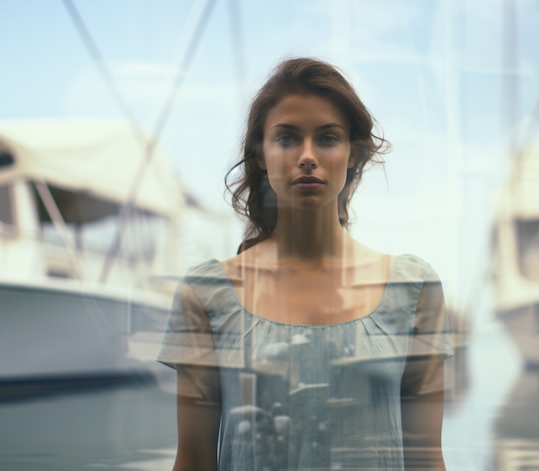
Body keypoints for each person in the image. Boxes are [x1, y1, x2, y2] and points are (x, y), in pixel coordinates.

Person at [158, 57, 453, 471]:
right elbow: (192, 460)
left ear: (353, 153)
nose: (308, 156)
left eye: (328, 138)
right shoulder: (206, 295)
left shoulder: (413, 289)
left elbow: (428, 461)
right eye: (287, 138)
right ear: (261, 154)